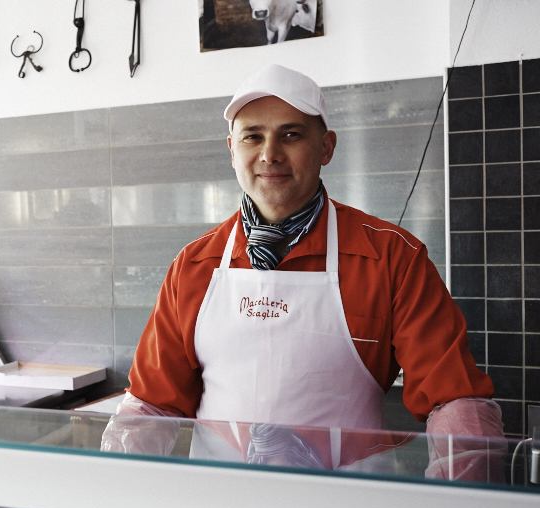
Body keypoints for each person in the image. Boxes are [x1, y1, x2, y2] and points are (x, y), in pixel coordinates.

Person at [101, 65, 504, 479]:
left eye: (291, 135)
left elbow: (455, 401)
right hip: (219, 505)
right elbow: (152, 404)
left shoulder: (391, 259)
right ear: (232, 149)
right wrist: (116, 487)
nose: (270, 154)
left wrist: (466, 501)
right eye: (252, 136)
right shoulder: (194, 266)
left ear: (326, 147)